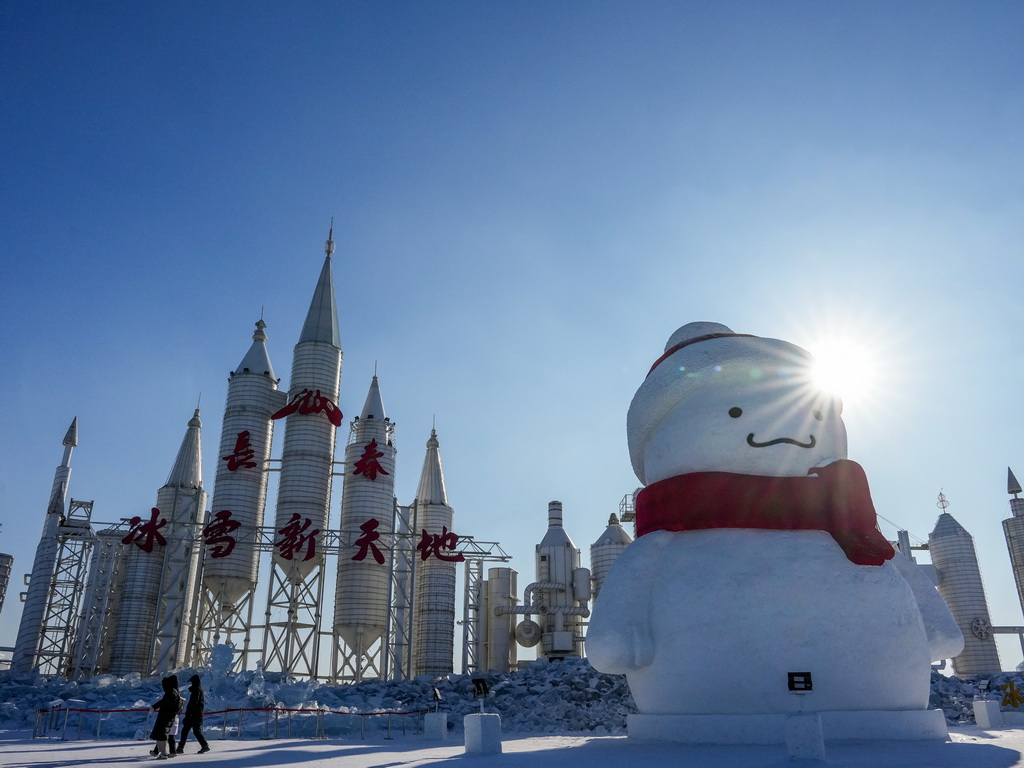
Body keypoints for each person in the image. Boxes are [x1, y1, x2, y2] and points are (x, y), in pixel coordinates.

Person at [150, 676, 184, 760]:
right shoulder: (175, 692)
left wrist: (154, 707)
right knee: (162, 735)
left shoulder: (171, 691)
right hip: (169, 717)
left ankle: (163, 754)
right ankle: (161, 752)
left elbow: (164, 701)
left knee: (161, 736)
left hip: (165, 717)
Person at [177, 674, 210, 754]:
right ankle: (204, 745)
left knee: (186, 731)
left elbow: (193, 703)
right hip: (196, 714)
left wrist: (189, 714)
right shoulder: (198, 689)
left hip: (193, 715)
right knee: (195, 731)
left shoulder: (196, 690)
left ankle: (180, 747)